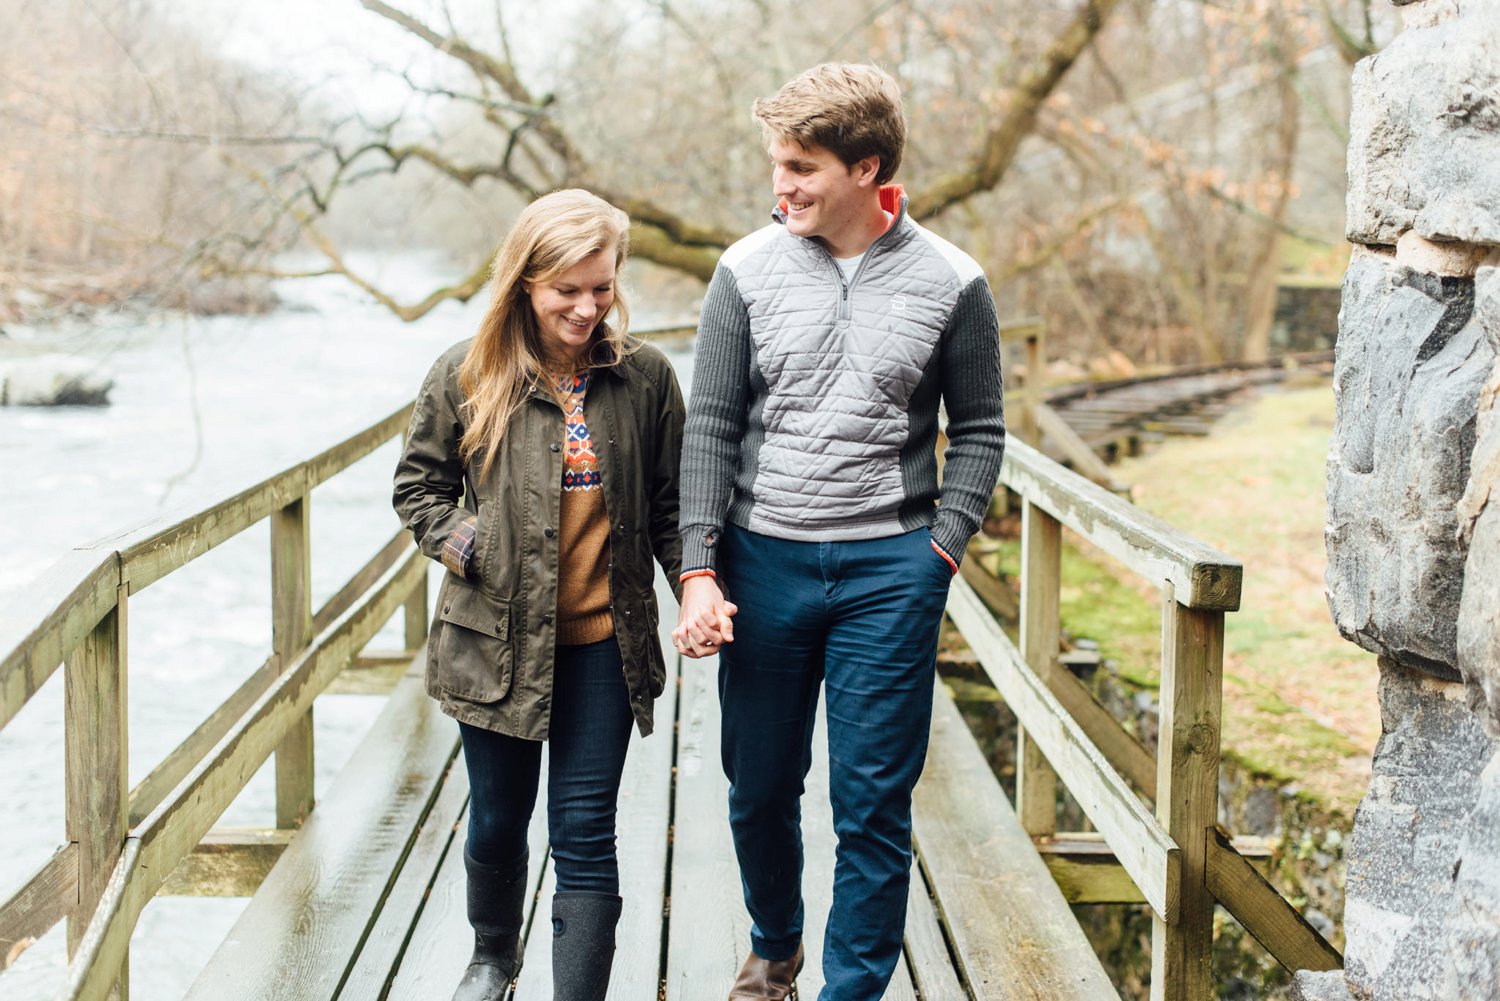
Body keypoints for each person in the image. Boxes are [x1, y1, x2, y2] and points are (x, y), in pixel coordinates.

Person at [672, 63, 1006, 1001]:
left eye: (802, 166)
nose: (782, 185)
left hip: (889, 575)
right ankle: (774, 946)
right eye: (778, 163)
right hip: (763, 564)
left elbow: (978, 430)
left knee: (871, 802)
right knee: (760, 785)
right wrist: (699, 566)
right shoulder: (742, 270)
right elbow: (711, 424)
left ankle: (849, 987)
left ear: (867, 168)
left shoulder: (953, 281)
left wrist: (938, 551)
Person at [394, 188, 684, 1001]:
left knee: (585, 831)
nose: (589, 306)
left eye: (603, 286)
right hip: (493, 642)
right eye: (568, 289)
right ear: (526, 281)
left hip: (604, 646)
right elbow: (418, 490)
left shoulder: (648, 379)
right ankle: (493, 954)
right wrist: (471, 543)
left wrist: (696, 585)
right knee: (497, 817)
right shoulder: (464, 373)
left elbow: (670, 506)